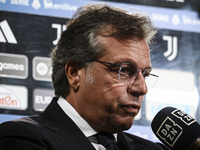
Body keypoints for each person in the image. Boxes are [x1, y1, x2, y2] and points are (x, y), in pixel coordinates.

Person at [0, 3, 169, 150]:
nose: (142, 88)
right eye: (124, 70)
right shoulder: (21, 138)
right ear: (75, 73)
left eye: (145, 74)